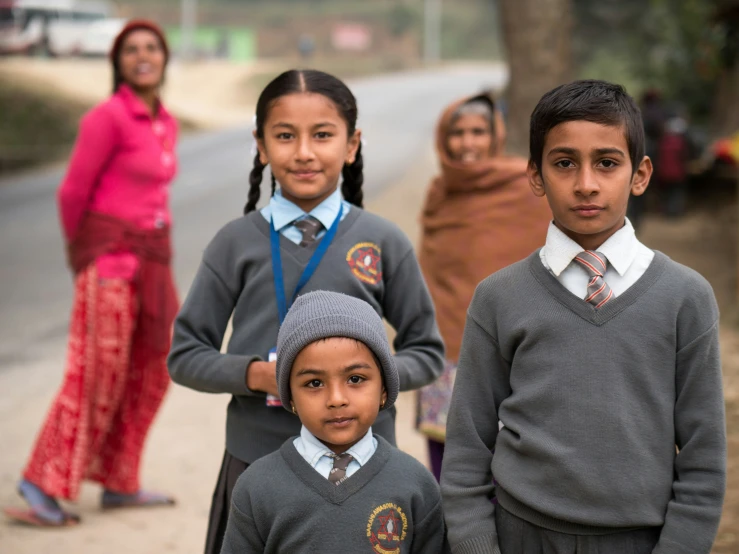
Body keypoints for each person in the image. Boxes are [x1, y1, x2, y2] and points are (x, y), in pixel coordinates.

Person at [441, 80, 726, 554]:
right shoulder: (499, 297)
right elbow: (467, 448)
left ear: (640, 174)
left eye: (608, 163)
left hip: (641, 540)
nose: (587, 183)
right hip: (521, 535)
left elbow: (703, 459)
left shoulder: (686, 297)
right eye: (564, 163)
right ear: (536, 176)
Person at [167, 69, 445, 554]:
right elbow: (185, 355)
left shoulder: (382, 241)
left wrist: (363, 377)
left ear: (352, 143)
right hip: (256, 454)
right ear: (260, 145)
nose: (303, 153)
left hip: (369, 460)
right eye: (284, 136)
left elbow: (426, 351)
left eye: (322, 135)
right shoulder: (235, 243)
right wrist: (256, 374)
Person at [4, 20, 179, 527]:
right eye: (131, 50)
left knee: (154, 367)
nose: (142, 56)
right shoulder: (107, 118)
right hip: (110, 263)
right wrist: (85, 254)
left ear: (164, 58)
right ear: (117, 61)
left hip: (153, 261)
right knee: (95, 373)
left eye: (152, 47)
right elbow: (71, 194)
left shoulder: (164, 120)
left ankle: (119, 480)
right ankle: (41, 482)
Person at [220, 291, 448, 553]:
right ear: (290, 396)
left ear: (384, 388)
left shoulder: (416, 484)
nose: (336, 399)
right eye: (314, 383)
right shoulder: (256, 487)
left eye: (355, 379)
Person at [416, 93, 550, 481]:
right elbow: (429, 273)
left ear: (495, 136)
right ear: (443, 137)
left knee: (512, 460)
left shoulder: (526, 188)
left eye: (478, 131)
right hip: (446, 349)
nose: (467, 142)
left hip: (512, 350)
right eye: (457, 132)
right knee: (448, 463)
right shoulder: (439, 192)